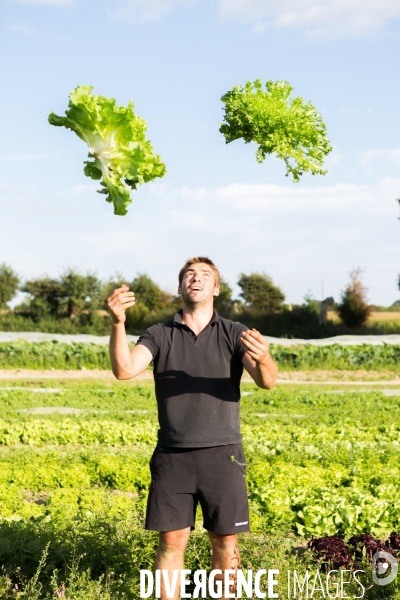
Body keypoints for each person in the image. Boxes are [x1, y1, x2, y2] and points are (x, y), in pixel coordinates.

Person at [107, 257, 278, 600]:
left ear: (215, 288)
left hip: (223, 454)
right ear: (180, 287)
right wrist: (117, 323)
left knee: (225, 542)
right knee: (171, 542)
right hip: (173, 456)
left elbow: (267, 381)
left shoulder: (234, 333)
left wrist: (263, 358)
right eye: (189, 274)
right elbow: (125, 369)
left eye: (204, 275)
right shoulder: (159, 334)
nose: (195, 278)